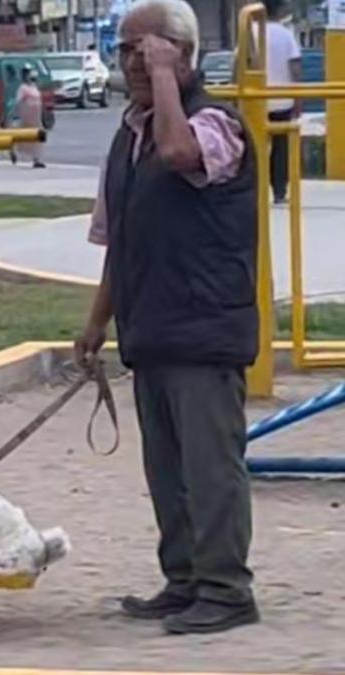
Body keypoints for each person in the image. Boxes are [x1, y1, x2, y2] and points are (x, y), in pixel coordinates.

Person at [74, 0, 260, 635]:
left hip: (204, 327)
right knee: (169, 471)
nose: (130, 61)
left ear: (181, 55)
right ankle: (184, 579)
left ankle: (227, 589)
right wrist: (97, 321)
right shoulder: (129, 135)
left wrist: (162, 82)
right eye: (125, 50)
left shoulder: (214, 124)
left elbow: (183, 155)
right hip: (151, 328)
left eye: (144, 50)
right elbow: (116, 236)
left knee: (211, 471)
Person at [263, 0, 301, 204]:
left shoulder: (249, 31)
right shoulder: (286, 34)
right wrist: (297, 97)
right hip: (282, 100)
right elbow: (294, 66)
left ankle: (256, 188)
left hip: (256, 99)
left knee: (256, 146)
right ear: (279, 10)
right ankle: (279, 192)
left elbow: (238, 65)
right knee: (281, 148)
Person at [11, 65, 46, 169]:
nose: (29, 76)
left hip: (36, 116)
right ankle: (14, 151)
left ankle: (37, 159)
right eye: (27, 74)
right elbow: (17, 102)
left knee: (38, 137)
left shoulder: (34, 87)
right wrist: (15, 115)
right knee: (24, 137)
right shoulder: (22, 88)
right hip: (27, 117)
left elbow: (39, 100)